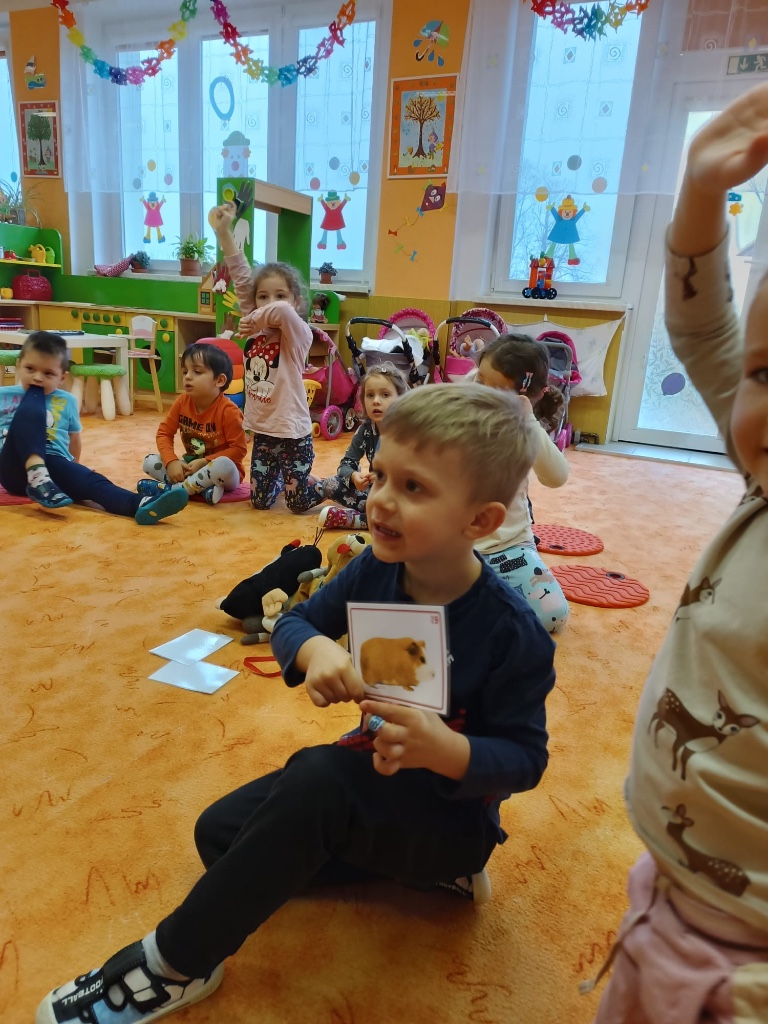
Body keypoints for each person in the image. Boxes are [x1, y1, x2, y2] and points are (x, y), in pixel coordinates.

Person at [35, 383, 557, 1024]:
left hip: (450, 820)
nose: (380, 499)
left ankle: (174, 964)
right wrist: (314, 651)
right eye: (381, 475)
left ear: (480, 521)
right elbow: (296, 622)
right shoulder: (376, 568)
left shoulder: (513, 632)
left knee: (315, 781)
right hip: (371, 773)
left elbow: (526, 759)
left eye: (413, 488)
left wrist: (446, 749)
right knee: (220, 835)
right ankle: (409, 872)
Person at [584, 85, 768, 1023]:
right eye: (767, 373)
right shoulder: (763, 478)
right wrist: (701, 195)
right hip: (668, 893)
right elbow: (703, 330)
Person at [207, 202, 325, 514]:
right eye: (262, 296)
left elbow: (281, 312)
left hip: (294, 434)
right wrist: (224, 232)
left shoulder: (298, 334)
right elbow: (241, 276)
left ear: (296, 302)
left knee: (298, 504)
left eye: (280, 295)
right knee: (259, 502)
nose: (270, 302)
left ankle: (332, 484)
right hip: (263, 432)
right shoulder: (257, 325)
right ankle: (287, 480)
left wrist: (255, 316)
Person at [0, 331, 187, 525]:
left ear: (62, 377)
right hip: (13, 467)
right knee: (32, 402)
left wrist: (75, 468)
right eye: (30, 369)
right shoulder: (3, 395)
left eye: (48, 373)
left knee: (91, 481)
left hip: (52, 470)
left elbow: (74, 440)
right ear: (19, 366)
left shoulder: (67, 401)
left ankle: (139, 504)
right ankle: (36, 472)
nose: (37, 378)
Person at [472, 334, 570, 634]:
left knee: (553, 614)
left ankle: (483, 605)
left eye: (495, 390)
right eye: (479, 380)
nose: (481, 391)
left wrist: (528, 422)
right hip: (457, 548)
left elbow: (557, 476)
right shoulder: (464, 407)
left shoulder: (526, 429)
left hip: (510, 548)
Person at [137, 343, 247, 505]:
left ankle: (175, 490)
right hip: (190, 467)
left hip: (224, 474)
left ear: (219, 380)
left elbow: (239, 449)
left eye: (197, 372)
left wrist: (205, 461)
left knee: (223, 465)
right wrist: (171, 461)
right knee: (149, 461)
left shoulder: (229, 411)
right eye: (185, 371)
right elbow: (164, 433)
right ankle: (204, 490)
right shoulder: (182, 401)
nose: (187, 377)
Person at [318, 362, 409, 530]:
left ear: (400, 399)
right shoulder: (366, 430)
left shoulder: (408, 431)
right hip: (375, 496)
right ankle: (372, 518)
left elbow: (419, 475)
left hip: (402, 499)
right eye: (370, 395)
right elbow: (346, 464)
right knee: (330, 484)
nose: (376, 401)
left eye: (385, 395)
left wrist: (387, 478)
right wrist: (354, 476)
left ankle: (354, 520)